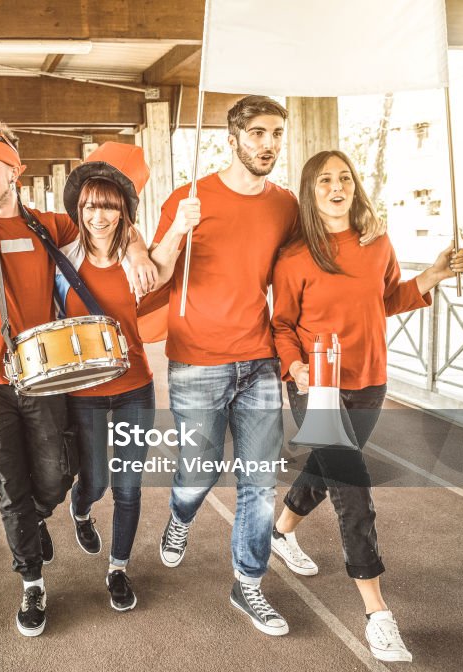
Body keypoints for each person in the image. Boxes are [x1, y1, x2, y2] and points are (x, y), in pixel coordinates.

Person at [0, 117, 156, 636]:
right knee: (10, 488)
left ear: (14, 173)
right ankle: (32, 585)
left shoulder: (49, 226)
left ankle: (39, 519)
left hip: (45, 378)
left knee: (54, 476)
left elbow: (104, 228)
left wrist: (134, 248)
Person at [148, 95, 384, 636]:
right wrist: (176, 231)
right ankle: (181, 515)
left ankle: (247, 583)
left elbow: (327, 243)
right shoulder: (190, 197)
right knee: (198, 474)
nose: (268, 145)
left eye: (277, 134)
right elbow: (158, 275)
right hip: (197, 362)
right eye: (257, 134)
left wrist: (369, 226)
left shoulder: (284, 206)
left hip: (258, 361)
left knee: (258, 482)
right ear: (231, 139)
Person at [270, 150, 463, 662]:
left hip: (370, 382)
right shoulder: (294, 256)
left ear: (354, 185)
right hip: (317, 386)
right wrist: (296, 370)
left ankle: (281, 530)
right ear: (310, 193)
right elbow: (282, 325)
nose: (337, 187)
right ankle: (378, 612)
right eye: (324, 182)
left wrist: (437, 273)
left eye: (344, 178)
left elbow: (387, 298)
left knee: (328, 467)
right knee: (353, 492)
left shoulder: (377, 241)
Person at [57, 143, 163, 612]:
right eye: (90, 206)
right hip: (84, 393)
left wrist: (140, 248)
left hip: (135, 389)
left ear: (123, 213)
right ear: (78, 209)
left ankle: (119, 568)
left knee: (128, 485)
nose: (98, 216)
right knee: (96, 481)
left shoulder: (138, 260)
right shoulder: (61, 261)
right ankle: (81, 508)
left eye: (108, 207)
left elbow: (174, 268)